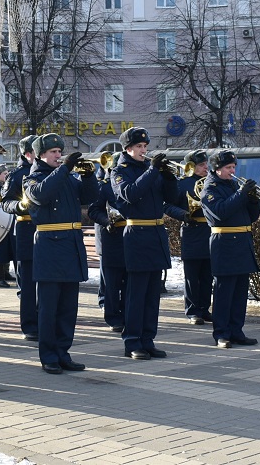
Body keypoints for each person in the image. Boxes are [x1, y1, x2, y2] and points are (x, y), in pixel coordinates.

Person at [24, 133, 99, 374]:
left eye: (60, 151)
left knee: (68, 307)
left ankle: (63, 352)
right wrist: (65, 168)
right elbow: (41, 195)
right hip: (49, 245)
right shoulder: (32, 178)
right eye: (53, 152)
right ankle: (48, 356)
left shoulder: (66, 177)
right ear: (40, 155)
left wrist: (88, 177)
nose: (59, 155)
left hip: (70, 245)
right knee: (48, 307)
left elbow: (88, 198)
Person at [111, 127, 178, 360]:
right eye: (139, 147)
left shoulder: (152, 170)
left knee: (152, 295)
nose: (144, 150)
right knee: (135, 295)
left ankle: (148, 340)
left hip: (156, 233)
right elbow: (130, 193)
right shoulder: (120, 171)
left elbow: (172, 198)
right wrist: (152, 170)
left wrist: (169, 178)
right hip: (137, 233)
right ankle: (132, 342)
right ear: (128, 149)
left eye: (145, 146)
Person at [200, 150, 260, 349]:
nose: (232, 171)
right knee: (224, 292)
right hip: (224, 242)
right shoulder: (210, 187)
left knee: (240, 291)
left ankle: (237, 331)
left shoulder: (234, 185)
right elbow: (220, 213)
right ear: (216, 169)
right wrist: (242, 194)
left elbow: (250, 217)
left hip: (242, 241)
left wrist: (252, 199)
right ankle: (222, 333)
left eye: (233, 167)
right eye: (228, 168)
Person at [165, 149, 213, 325]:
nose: (205, 167)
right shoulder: (182, 184)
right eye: (201, 165)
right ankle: (193, 310)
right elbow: (168, 205)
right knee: (192, 275)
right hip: (192, 230)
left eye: (206, 164)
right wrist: (184, 215)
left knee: (208, 274)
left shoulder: (210, 182)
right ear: (191, 166)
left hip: (210, 230)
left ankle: (204, 308)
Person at [1, 135, 39, 341]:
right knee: (27, 284)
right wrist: (19, 206)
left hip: (47, 232)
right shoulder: (16, 175)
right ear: (28, 154)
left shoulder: (47, 173)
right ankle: (30, 325)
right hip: (25, 231)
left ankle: (45, 320)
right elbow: (5, 202)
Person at [87, 156, 126, 332]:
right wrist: (107, 221)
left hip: (130, 238)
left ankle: (127, 314)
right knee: (111, 282)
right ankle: (112, 316)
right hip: (111, 238)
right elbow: (93, 210)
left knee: (128, 281)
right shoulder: (103, 186)